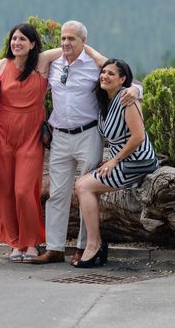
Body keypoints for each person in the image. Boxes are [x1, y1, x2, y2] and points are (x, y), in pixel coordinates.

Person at [31, 20, 140, 265]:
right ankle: (55, 248)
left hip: (88, 134)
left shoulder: (95, 66)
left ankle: (83, 246)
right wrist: (66, 50)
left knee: (85, 191)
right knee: (57, 193)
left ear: (84, 42)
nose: (66, 42)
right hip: (59, 135)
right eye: (63, 38)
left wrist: (138, 91)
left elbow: (128, 81)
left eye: (72, 39)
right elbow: (34, 60)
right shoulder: (53, 65)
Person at [73, 59, 158, 267]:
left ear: (122, 80)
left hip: (138, 161)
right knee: (86, 185)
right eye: (103, 72)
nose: (105, 76)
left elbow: (137, 137)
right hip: (122, 160)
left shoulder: (127, 99)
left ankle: (94, 245)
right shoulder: (106, 101)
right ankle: (95, 244)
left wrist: (114, 161)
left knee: (83, 186)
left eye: (111, 74)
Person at [0, 23, 62, 263]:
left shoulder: (42, 62)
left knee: (23, 190)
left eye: (22, 39)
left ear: (32, 44)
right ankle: (14, 242)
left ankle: (31, 241)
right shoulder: (0, 66)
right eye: (14, 38)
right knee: (5, 191)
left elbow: (73, 46)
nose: (16, 42)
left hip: (31, 135)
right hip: (2, 133)